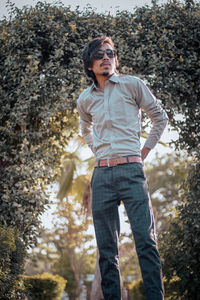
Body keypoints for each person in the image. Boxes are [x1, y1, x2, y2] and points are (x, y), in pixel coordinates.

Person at [77, 36, 168, 300]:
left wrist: (143, 153)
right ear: (90, 64)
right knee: (106, 250)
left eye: (110, 53)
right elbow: (85, 129)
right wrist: (97, 151)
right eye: (99, 54)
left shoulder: (132, 85)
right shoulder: (85, 99)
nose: (106, 57)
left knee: (146, 241)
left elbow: (159, 118)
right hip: (102, 175)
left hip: (131, 172)